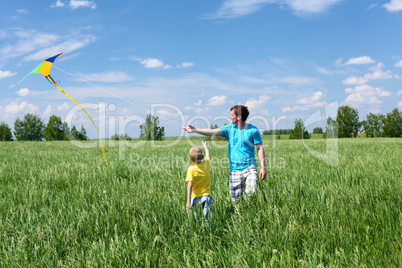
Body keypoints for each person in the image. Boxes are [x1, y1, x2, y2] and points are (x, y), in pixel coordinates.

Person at [183, 105, 266, 202]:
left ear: (238, 117)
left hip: (250, 167)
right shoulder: (229, 128)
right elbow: (212, 131)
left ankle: (252, 210)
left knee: (251, 193)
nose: (229, 117)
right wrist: (195, 130)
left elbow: (260, 148)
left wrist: (263, 167)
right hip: (234, 169)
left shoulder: (253, 130)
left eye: (231, 115)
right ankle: (241, 215)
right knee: (236, 201)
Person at [185, 140, 213, 224]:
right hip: (206, 196)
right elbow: (208, 155)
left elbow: (190, 185)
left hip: (195, 197)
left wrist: (188, 201)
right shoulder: (206, 164)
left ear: (190, 159)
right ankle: (208, 232)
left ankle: (196, 232)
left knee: (194, 220)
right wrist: (205, 147)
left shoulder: (191, 169)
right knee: (207, 219)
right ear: (202, 156)